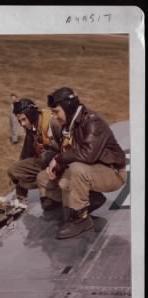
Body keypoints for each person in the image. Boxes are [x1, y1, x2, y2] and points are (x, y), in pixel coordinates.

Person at [37, 87, 126, 239]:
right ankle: (90, 200)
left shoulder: (92, 122)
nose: (54, 116)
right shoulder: (71, 123)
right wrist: (58, 165)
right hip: (95, 169)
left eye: (56, 111)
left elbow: (88, 154)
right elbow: (73, 152)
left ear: (68, 107)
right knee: (46, 177)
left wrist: (59, 158)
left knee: (77, 170)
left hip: (114, 172)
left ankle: (81, 220)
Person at [7, 97, 61, 202]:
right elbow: (26, 154)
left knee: (47, 156)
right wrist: (20, 194)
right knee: (14, 171)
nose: (22, 124)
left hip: (63, 165)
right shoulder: (31, 127)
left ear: (31, 115)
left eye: (23, 119)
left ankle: (57, 191)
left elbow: (70, 148)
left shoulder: (53, 122)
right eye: (19, 121)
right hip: (46, 165)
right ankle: (48, 191)